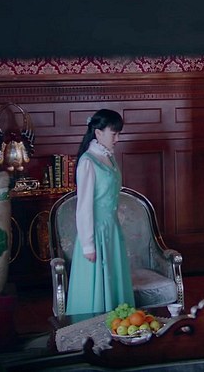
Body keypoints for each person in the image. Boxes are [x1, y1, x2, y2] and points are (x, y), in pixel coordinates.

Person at [66, 109, 135, 315]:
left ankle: (119, 324)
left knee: (115, 283)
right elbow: (84, 207)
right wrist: (88, 244)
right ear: (98, 133)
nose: (117, 139)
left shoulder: (109, 158)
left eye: (118, 134)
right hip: (95, 232)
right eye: (114, 134)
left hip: (112, 229)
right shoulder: (88, 162)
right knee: (96, 285)